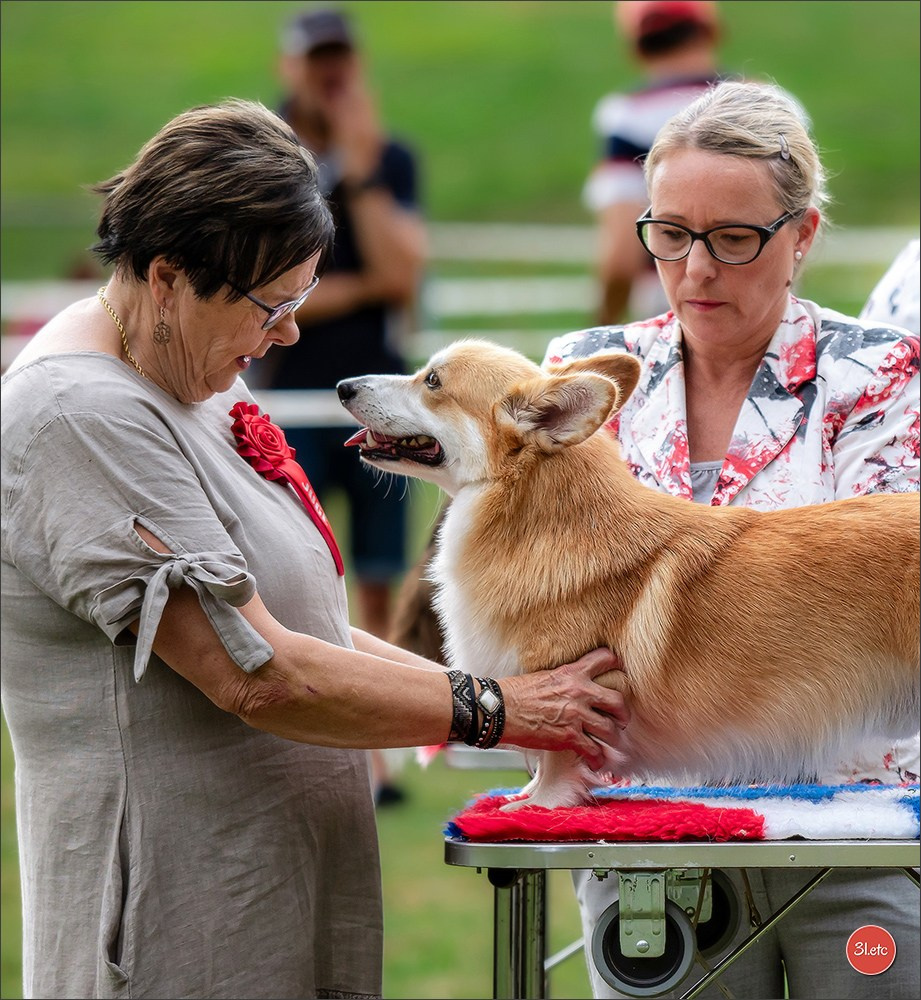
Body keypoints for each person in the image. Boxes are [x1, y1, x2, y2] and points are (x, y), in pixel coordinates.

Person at [0, 99, 630, 1000]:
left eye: (297, 299)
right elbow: (257, 670)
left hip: (262, 894)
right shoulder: (80, 414)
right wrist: (495, 708)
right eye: (274, 303)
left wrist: (495, 693)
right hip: (176, 932)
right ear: (169, 278)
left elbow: (311, 625)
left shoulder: (180, 372)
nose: (291, 331)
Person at [545, 80, 920, 999]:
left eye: (734, 238)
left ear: (804, 235)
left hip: (859, 822)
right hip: (641, 831)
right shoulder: (582, 370)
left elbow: (871, 580)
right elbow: (543, 600)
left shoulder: (880, 374)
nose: (696, 270)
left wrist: (647, 604)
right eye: (669, 234)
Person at [253, 7, 425, 642]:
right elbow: (256, 292)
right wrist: (360, 289)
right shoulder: (262, 157)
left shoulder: (388, 157)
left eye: (340, 60)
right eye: (316, 60)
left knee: (381, 579)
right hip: (291, 390)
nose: (330, 75)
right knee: (299, 573)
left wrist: (361, 170)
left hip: (376, 386)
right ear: (288, 66)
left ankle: (383, 734)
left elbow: (402, 275)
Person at [585, 1, 724, 325]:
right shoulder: (773, 102)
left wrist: (600, 332)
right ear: (711, 31)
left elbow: (622, 256)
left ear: (636, 48)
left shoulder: (628, 116)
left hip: (671, 312)